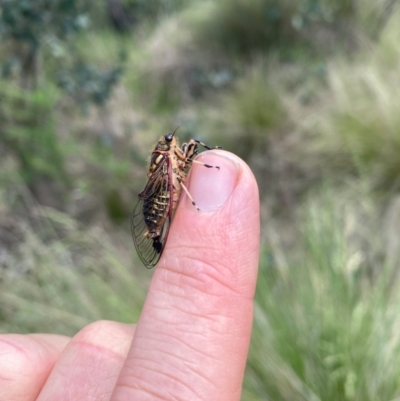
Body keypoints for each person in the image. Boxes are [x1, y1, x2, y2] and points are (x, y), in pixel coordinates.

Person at [0, 150, 260, 401]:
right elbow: (175, 180)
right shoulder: (168, 161)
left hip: (164, 190)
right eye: (172, 144)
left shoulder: (173, 158)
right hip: (162, 195)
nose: (178, 146)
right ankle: (158, 233)